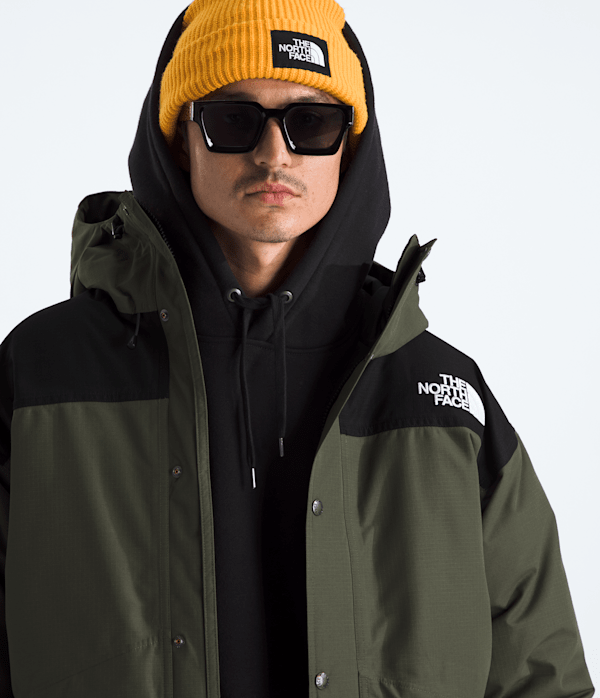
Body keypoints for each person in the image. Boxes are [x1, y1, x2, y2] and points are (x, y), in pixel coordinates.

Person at [0, 0, 595, 696]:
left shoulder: (442, 399)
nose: (274, 154)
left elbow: (541, 679)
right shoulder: (41, 376)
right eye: (233, 120)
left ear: (350, 146)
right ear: (181, 140)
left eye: (311, 122)